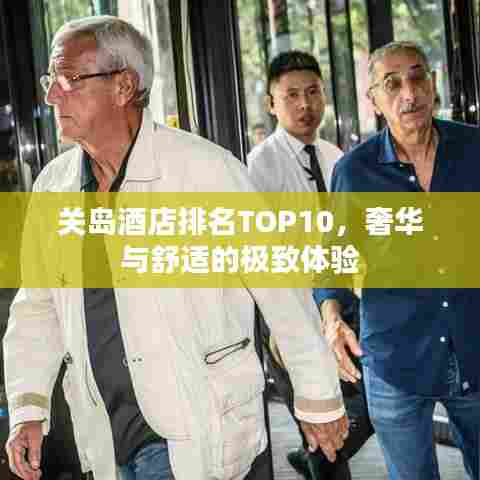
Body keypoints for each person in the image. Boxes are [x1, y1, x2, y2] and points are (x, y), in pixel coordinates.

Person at [3, 16, 349, 480]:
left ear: (124, 85)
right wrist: (28, 407)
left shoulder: (206, 173)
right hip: (107, 435)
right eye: (51, 81)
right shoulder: (54, 186)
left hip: (190, 428)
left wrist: (318, 397)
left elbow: (281, 290)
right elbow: (38, 305)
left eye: (68, 80)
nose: (51, 97)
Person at [315, 40, 480, 480]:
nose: (409, 92)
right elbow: (333, 258)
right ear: (374, 100)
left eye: (417, 76)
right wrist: (332, 318)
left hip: (474, 345)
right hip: (396, 357)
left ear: (433, 83)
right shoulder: (356, 171)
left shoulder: (474, 150)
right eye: (392, 83)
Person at [248, 50, 373, 480]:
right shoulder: (261, 166)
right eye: (292, 95)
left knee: (367, 405)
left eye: (314, 92)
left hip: (340, 308)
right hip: (293, 317)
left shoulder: (334, 156)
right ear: (272, 104)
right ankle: (317, 458)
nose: (305, 105)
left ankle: (313, 457)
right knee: (322, 424)